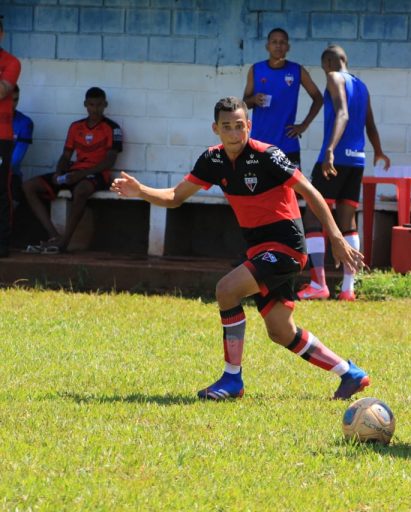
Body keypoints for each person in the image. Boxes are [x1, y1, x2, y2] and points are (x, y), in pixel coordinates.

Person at [111, 97, 371, 401]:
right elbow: (175, 196)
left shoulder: (268, 155)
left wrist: (337, 238)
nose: (235, 133)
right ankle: (349, 373)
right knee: (280, 330)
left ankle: (232, 379)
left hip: (286, 245)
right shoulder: (213, 160)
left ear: (248, 125)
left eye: (240, 126)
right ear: (216, 129)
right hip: (260, 249)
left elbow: (310, 192)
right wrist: (140, 191)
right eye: (227, 127)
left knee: (226, 290)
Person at [298, 45, 390, 302]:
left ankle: (318, 283)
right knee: (347, 220)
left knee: (314, 216)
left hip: (334, 159)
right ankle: (348, 288)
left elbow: (343, 113)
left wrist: (329, 148)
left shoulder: (334, 77)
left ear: (328, 62)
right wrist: (379, 151)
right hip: (357, 161)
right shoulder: (362, 85)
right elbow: (369, 124)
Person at [23, 86, 122, 254]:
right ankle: (54, 236)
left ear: (105, 104)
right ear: (85, 104)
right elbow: (66, 155)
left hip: (96, 174)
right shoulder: (76, 127)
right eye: (91, 105)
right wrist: (59, 172)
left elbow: (110, 161)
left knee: (81, 190)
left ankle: (64, 242)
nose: (95, 109)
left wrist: (82, 174)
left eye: (99, 105)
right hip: (74, 172)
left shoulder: (113, 128)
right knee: (29, 186)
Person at [242, 27, 323, 166]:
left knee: (293, 188)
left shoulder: (297, 70)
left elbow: (318, 98)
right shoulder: (256, 70)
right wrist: (254, 100)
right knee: (258, 187)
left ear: (288, 47)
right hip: (259, 144)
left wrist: (304, 125)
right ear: (268, 46)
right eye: (274, 42)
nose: (278, 45)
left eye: (282, 42)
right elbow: (244, 104)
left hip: (287, 144)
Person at [0, 18, 21, 258]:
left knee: (0, 190)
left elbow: (3, 91)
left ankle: (2, 242)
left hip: (1, 138)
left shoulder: (11, 62)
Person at [11, 85, 34, 207]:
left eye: (16, 100)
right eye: (8, 99)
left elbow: (15, 161)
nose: (12, 104)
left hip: (10, 177)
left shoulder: (25, 122)